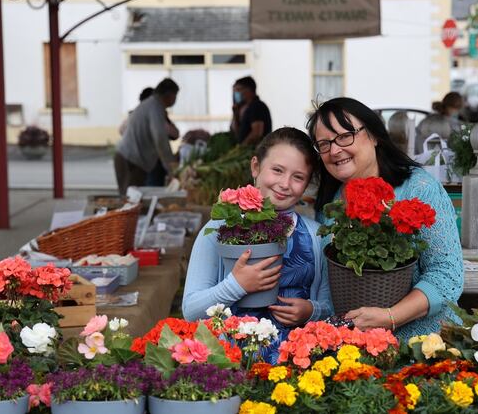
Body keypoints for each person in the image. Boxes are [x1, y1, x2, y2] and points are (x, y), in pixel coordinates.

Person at [307, 97, 463, 341]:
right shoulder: (330, 203)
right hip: (353, 345)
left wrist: (391, 317)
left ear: (374, 135)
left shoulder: (419, 188)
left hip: (424, 344)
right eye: (324, 144)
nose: (335, 150)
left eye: (344, 136)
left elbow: (447, 276)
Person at [182, 127, 333, 363]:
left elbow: (330, 306)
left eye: (298, 177)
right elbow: (191, 310)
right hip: (229, 366)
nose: (285, 184)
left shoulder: (316, 236)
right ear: (256, 167)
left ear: (307, 184)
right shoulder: (219, 229)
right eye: (277, 170)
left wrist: (311, 310)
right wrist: (237, 285)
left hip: (297, 370)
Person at [114, 78, 179, 195]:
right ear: (170, 95)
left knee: (131, 199)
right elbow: (160, 139)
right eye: (175, 96)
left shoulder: (152, 105)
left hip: (131, 159)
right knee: (130, 201)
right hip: (130, 161)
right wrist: (172, 169)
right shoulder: (155, 107)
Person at [231, 76, 272, 145]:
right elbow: (237, 134)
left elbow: (257, 133)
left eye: (238, 90)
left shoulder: (257, 106)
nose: (235, 94)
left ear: (249, 90)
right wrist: (235, 114)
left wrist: (242, 148)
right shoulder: (242, 108)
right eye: (234, 91)